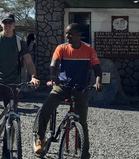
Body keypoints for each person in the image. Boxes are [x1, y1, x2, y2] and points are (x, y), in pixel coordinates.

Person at [0, 14, 40, 159]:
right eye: (5, 22)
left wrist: (33, 76)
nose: (8, 25)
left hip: (13, 84)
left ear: (14, 24)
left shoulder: (19, 41)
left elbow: (28, 61)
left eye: (10, 22)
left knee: (11, 117)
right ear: (1, 24)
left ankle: (7, 151)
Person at [34, 23, 103, 159]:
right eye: (66, 33)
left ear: (78, 35)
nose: (67, 36)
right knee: (45, 109)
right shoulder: (62, 48)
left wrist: (98, 82)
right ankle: (40, 139)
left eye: (70, 34)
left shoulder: (89, 49)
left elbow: (97, 69)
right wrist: (53, 75)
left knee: (82, 122)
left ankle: (84, 151)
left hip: (81, 88)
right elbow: (54, 64)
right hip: (62, 86)